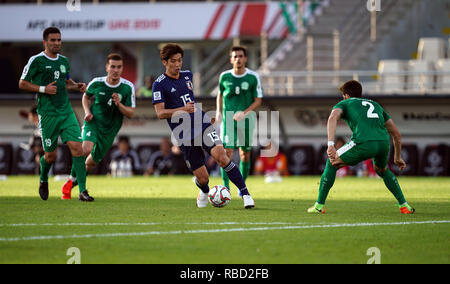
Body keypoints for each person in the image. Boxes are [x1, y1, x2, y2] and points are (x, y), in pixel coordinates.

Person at [152, 43, 255, 208]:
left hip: (202, 125)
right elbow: (160, 113)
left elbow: (191, 102)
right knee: (203, 178)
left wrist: (203, 116)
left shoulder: (187, 76)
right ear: (164, 62)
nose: (178, 64)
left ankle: (246, 195)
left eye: (180, 60)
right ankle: (204, 190)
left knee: (222, 157)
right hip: (184, 133)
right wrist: (182, 110)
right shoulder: (159, 84)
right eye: (173, 61)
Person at [307, 80, 415, 214]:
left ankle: (319, 206)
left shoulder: (345, 103)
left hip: (363, 142)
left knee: (332, 161)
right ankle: (404, 205)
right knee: (382, 170)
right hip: (383, 144)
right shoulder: (376, 105)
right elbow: (397, 135)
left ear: (346, 95)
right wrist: (397, 157)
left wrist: (330, 144)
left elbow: (332, 118)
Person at [18, 27, 93, 201]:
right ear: (45, 42)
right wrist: (43, 89)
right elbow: (22, 83)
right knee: (51, 156)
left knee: (78, 149)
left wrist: (75, 86)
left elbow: (64, 82)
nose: (56, 43)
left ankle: (82, 191)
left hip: (66, 111)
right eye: (53, 40)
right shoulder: (36, 60)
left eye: (59, 40)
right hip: (48, 114)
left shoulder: (64, 61)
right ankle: (43, 178)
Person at [61, 53, 135, 196]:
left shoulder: (127, 87)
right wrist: (87, 111)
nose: (115, 70)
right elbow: (86, 96)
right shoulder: (97, 82)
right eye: (112, 66)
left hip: (110, 130)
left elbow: (131, 113)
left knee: (91, 163)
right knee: (85, 149)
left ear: (122, 69)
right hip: (93, 122)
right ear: (107, 67)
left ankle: (72, 182)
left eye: (119, 67)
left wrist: (119, 104)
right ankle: (77, 185)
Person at [215, 46, 262, 194]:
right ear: (231, 59)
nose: (238, 59)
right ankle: (225, 187)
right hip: (228, 118)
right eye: (235, 56)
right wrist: (218, 112)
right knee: (226, 152)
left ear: (245, 59)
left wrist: (244, 112)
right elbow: (220, 95)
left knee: (244, 154)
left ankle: (242, 186)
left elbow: (258, 100)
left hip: (246, 119)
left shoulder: (253, 77)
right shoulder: (224, 77)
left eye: (240, 56)